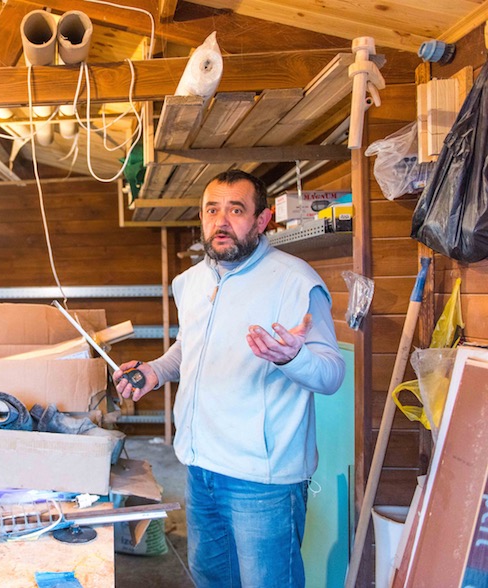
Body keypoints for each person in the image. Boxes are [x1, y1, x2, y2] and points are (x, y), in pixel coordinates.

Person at [114, 169, 345, 588]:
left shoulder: (296, 281)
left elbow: (331, 374)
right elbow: (189, 347)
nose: (221, 222)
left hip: (263, 481)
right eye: (212, 210)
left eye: (236, 210)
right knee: (211, 578)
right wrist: (154, 371)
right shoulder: (191, 281)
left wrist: (292, 358)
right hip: (200, 467)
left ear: (263, 220)